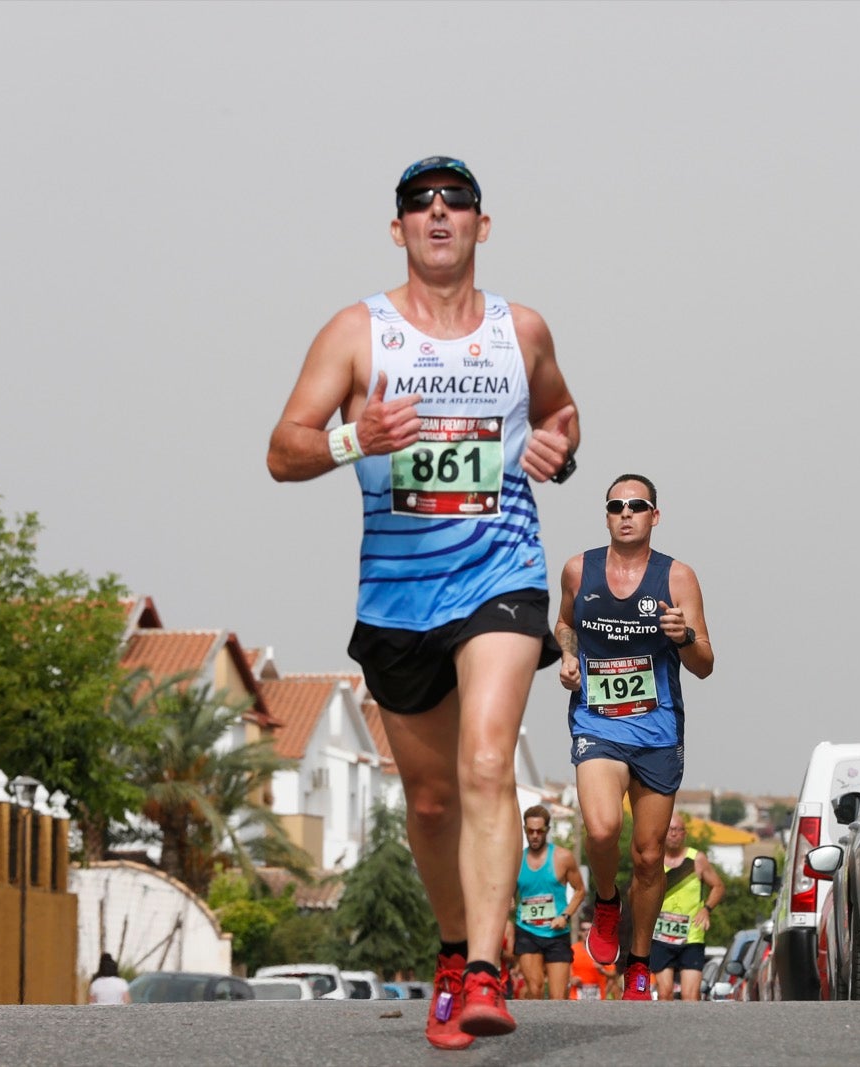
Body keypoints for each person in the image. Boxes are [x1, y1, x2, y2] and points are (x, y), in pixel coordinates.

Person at [267, 155, 578, 1051]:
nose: (437, 214)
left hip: (502, 576)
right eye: (418, 203)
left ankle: (487, 968)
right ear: (397, 228)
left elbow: (563, 415)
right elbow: (282, 450)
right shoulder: (355, 333)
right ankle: (453, 948)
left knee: (488, 763)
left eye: (456, 202)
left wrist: (559, 448)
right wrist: (350, 436)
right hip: (399, 595)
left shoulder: (522, 330)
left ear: (484, 225)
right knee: (433, 800)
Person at [557, 474, 714, 1002]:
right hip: (597, 723)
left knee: (648, 858)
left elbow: (705, 665)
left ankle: (640, 965)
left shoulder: (678, 577)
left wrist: (684, 637)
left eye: (637, 505)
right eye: (616, 506)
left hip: (657, 729)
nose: (626, 513)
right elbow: (564, 624)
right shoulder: (580, 569)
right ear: (606, 516)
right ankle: (606, 903)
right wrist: (566, 656)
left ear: (654, 515)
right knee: (601, 830)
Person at [510, 804, 586, 1000]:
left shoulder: (562, 857)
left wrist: (565, 915)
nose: (534, 835)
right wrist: (509, 900)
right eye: (530, 831)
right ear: (525, 830)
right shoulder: (516, 859)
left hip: (556, 933)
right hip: (527, 931)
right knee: (534, 989)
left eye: (539, 831)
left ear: (547, 830)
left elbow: (580, 890)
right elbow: (508, 891)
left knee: (557, 997)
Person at [650, 814, 726, 1001]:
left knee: (690, 996)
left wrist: (706, 909)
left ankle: (690, 1030)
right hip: (660, 935)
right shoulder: (654, 859)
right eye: (670, 830)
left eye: (678, 830)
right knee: (664, 993)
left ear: (684, 834)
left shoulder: (697, 859)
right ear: (663, 833)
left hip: (691, 936)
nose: (674, 834)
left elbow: (718, 886)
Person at [566, 920, 604, 1000]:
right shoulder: (572, 950)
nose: (587, 932)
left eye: (590, 930)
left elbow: (613, 975)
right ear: (579, 932)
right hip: (576, 997)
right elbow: (564, 972)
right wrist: (571, 980)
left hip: (598, 999)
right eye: (584, 930)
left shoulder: (602, 951)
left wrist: (602, 970)